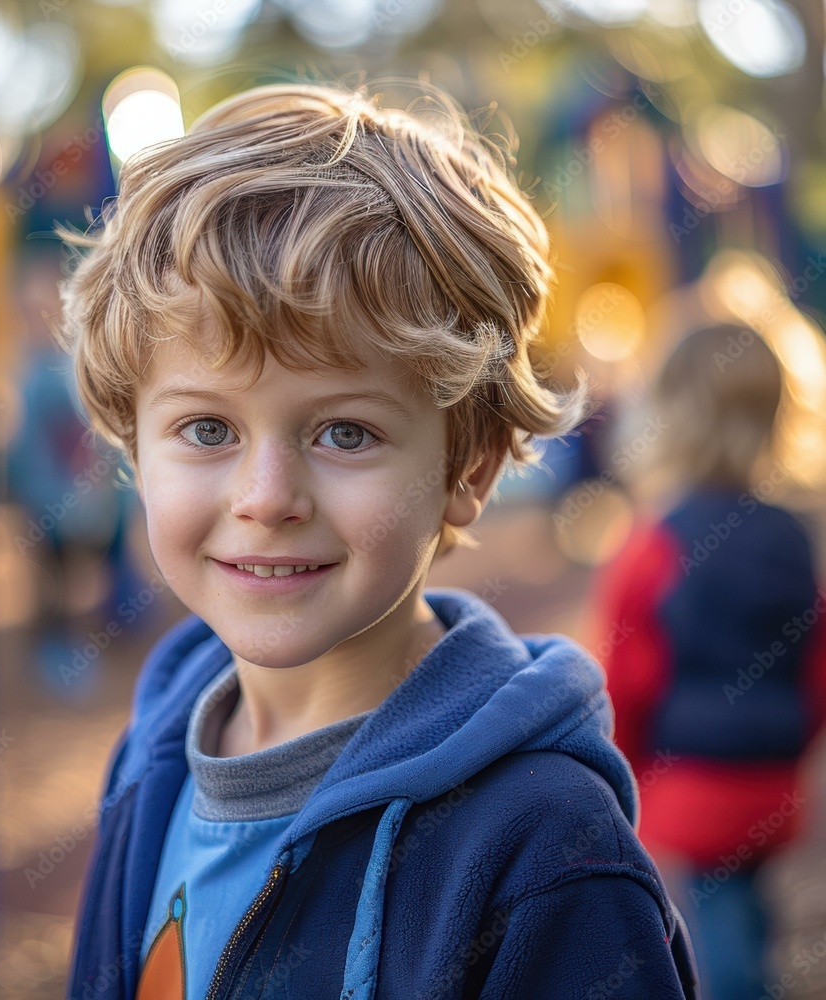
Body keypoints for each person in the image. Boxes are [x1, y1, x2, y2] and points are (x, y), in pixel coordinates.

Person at [56, 82, 698, 999]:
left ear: (465, 471)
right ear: (134, 443)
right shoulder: (153, 751)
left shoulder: (546, 856)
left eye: (344, 433)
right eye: (207, 430)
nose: (266, 497)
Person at [593, 324, 826, 1000]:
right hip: (773, 777)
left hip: (689, 784)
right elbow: (816, 666)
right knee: (741, 909)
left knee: (718, 943)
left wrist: (622, 776)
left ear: (666, 416)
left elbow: (627, 681)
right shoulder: (791, 537)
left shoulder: (652, 545)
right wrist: (786, 743)